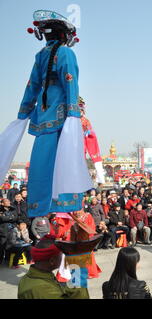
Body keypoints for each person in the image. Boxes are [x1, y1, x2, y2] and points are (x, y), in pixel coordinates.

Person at [0, 10, 91, 218]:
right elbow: (71, 82)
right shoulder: (66, 53)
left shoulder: (40, 55)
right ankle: (62, 205)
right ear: (63, 35)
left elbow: (31, 87)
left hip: (42, 116)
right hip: (62, 115)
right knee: (64, 161)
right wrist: (73, 115)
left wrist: (22, 115)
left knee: (42, 162)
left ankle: (40, 208)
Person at [18, 235, 89, 299]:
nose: (63, 257)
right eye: (61, 254)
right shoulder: (43, 289)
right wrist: (78, 273)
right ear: (52, 261)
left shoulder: (28, 278)